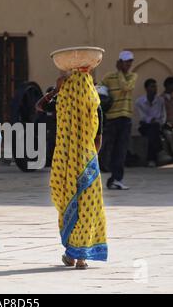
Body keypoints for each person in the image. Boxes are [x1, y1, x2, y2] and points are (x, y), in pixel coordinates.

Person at [50, 70, 107, 270]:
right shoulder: (94, 104)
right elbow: (98, 138)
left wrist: (56, 90)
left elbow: (40, 107)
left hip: (65, 163)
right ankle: (80, 255)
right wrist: (90, 157)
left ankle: (72, 254)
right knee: (87, 207)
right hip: (88, 162)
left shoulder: (64, 102)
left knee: (68, 202)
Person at [100, 51, 138, 189]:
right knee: (106, 148)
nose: (128, 64)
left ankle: (116, 179)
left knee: (120, 151)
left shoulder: (132, 76)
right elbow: (100, 90)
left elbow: (125, 87)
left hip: (125, 118)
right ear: (120, 62)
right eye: (126, 62)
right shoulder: (109, 77)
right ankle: (104, 172)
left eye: (130, 62)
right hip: (111, 118)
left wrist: (120, 73)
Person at [136, 79, 166, 167]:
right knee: (152, 129)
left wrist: (159, 122)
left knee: (152, 132)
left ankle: (151, 159)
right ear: (146, 88)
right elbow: (141, 117)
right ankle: (160, 151)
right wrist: (151, 120)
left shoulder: (160, 100)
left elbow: (163, 115)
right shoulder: (139, 101)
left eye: (156, 86)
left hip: (157, 126)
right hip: (144, 126)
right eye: (152, 86)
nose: (155, 89)